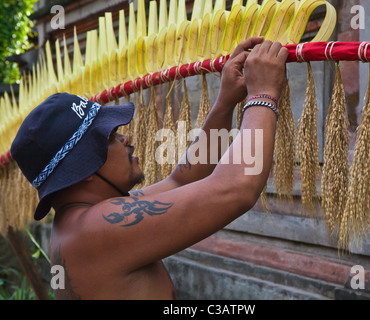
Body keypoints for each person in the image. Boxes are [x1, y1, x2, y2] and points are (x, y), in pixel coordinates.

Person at [11, 37, 288, 300]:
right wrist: (262, 95)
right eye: (109, 137)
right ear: (82, 170)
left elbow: (181, 181)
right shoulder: (96, 229)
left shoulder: (86, 219)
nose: (124, 138)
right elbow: (236, 189)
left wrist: (225, 101)